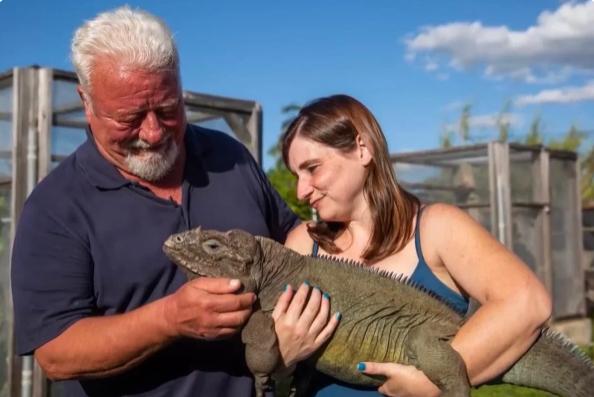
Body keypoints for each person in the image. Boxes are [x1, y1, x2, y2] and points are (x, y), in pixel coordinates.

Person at [10, 6, 299, 397]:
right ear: (86, 102)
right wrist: (170, 319)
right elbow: (57, 353)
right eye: (129, 117)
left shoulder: (229, 157)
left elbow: (294, 239)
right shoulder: (56, 207)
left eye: (167, 109)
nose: (153, 132)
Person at [271, 95, 552, 396]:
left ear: (362, 149)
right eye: (295, 175)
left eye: (312, 168)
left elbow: (527, 302)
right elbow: (280, 377)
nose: (301, 191)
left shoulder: (437, 227)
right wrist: (280, 359)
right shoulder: (304, 243)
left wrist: (432, 382)